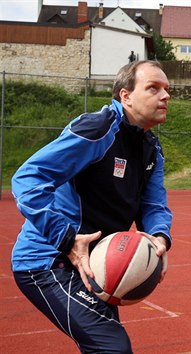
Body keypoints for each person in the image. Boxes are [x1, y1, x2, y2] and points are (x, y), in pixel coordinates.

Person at [11, 60, 173, 353]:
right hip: (48, 261)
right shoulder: (98, 129)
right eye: (153, 88)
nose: (165, 96)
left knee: (104, 346)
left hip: (96, 266)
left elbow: (153, 204)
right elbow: (28, 178)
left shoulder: (152, 150)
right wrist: (67, 238)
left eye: (167, 89)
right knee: (111, 347)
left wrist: (159, 239)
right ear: (125, 96)